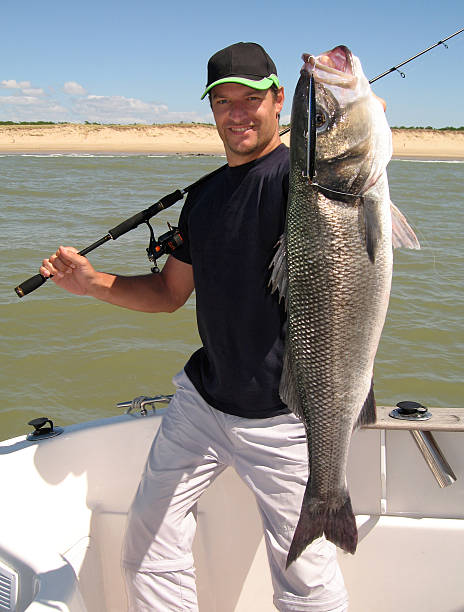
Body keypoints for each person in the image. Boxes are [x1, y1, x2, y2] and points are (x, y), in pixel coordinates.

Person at [40, 42, 349, 611]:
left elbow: (353, 208)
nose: (237, 113)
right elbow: (167, 294)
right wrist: (90, 283)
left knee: (305, 582)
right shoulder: (202, 200)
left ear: (278, 101)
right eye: (223, 101)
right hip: (203, 403)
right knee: (147, 550)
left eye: (251, 99)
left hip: (284, 418)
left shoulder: (304, 182)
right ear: (210, 110)